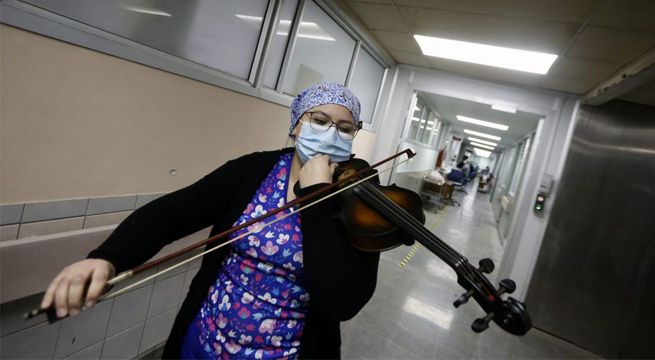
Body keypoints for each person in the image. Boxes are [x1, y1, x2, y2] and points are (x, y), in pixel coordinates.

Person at [40, 82, 380, 359]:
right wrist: (108, 258)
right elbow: (172, 213)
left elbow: (344, 300)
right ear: (295, 126)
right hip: (203, 344)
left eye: (344, 128)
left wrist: (317, 196)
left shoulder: (359, 196)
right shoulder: (253, 170)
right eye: (319, 121)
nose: (331, 133)